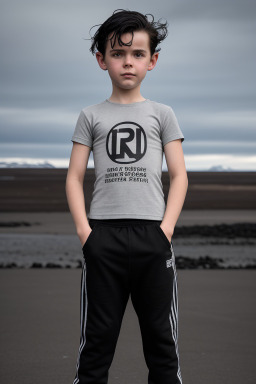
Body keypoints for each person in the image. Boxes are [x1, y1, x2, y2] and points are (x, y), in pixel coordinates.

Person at [66, 9, 188, 384]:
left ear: (152, 60)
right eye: (118, 54)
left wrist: (165, 230)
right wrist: (87, 235)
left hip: (153, 239)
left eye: (137, 54)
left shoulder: (162, 114)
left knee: (162, 344)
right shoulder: (91, 115)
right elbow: (73, 177)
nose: (128, 62)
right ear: (102, 59)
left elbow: (180, 175)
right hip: (104, 239)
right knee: (96, 344)